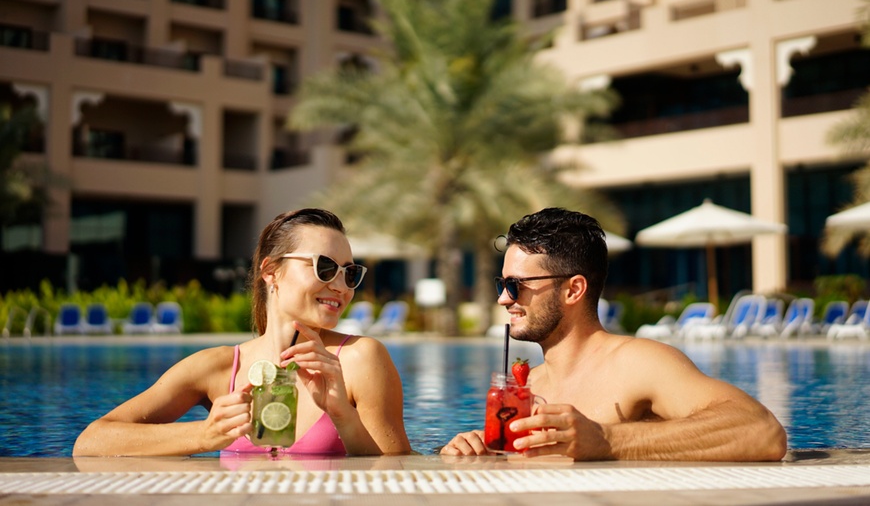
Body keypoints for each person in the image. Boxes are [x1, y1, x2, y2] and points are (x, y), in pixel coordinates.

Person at [441, 207, 787, 462]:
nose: (503, 298)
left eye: (517, 285)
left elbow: (762, 431)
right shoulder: (528, 385)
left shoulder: (639, 364)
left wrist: (609, 439)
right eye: (503, 284)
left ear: (573, 290)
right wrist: (473, 451)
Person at [74, 208, 410, 456]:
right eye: (324, 267)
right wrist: (205, 435)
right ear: (270, 272)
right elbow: (91, 442)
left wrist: (342, 415)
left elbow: (400, 470)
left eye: (349, 273)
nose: (340, 286)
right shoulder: (218, 368)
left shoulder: (359, 360)